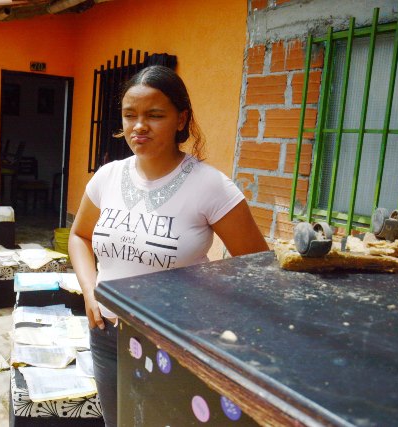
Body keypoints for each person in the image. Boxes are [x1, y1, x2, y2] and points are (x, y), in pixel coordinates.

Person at [68, 66, 269, 427]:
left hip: (175, 344)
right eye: (130, 115)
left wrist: (211, 312)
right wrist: (89, 290)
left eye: (154, 115)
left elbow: (258, 268)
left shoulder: (211, 187)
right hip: (107, 333)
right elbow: (80, 236)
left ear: (182, 119)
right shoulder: (107, 177)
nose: (139, 126)